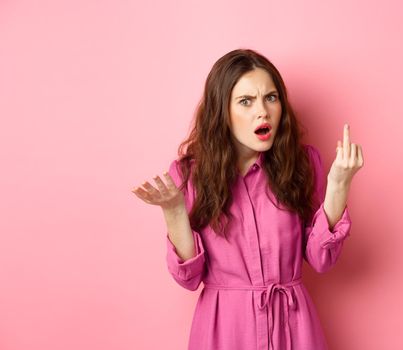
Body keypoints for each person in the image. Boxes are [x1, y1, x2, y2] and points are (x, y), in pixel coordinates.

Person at [131, 48, 364, 350]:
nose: (263, 111)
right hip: (226, 332)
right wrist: (175, 211)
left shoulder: (303, 163)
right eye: (246, 101)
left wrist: (338, 185)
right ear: (222, 112)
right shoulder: (189, 174)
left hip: (293, 329)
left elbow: (321, 259)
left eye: (271, 97)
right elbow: (189, 278)